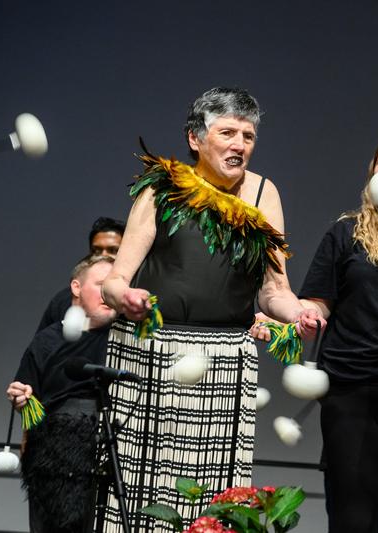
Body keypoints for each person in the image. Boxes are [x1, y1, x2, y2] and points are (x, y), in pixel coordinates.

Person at [100, 86, 321, 531]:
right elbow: (113, 279)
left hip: (224, 361)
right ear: (195, 138)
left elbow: (272, 289)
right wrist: (125, 298)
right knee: (145, 492)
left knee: (214, 498)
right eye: (228, 132)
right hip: (153, 355)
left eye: (248, 136)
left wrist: (296, 312)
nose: (240, 144)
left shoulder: (262, 195)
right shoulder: (163, 189)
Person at [292, 132, 378, 533]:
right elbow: (318, 300)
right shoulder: (345, 232)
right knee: (354, 517)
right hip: (352, 388)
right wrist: (305, 314)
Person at [7, 255, 117, 533]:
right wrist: (21, 397)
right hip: (52, 456)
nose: (108, 295)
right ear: (76, 288)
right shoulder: (47, 340)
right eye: (101, 285)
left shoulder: (127, 338)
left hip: (110, 450)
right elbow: (25, 394)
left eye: (112, 288)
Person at [36, 216, 125, 332]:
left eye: (113, 250)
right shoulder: (64, 300)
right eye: (96, 250)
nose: (103, 255)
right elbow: (43, 345)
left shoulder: (138, 299)